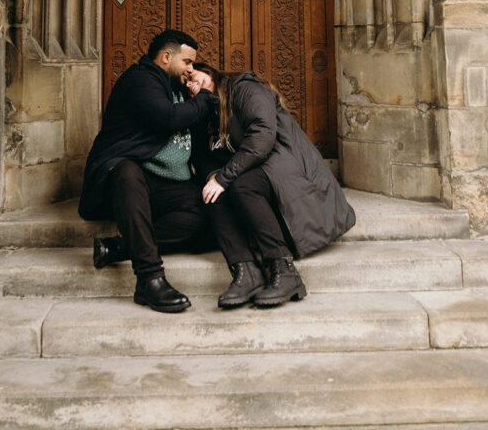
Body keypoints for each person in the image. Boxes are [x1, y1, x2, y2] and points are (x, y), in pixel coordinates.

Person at [187, 63, 356, 309]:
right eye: (184, 85)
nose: (189, 84)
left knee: (240, 186)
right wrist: (216, 178)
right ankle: (246, 272)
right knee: (212, 194)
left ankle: (285, 271)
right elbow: (203, 157)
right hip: (260, 172)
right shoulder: (207, 112)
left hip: (289, 169)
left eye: (191, 76)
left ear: (209, 72)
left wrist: (224, 177)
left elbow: (262, 137)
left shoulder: (244, 89)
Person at [78, 29, 215, 313]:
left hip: (157, 184)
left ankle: (118, 248)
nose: (191, 70)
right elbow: (169, 118)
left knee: (205, 211)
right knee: (126, 170)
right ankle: (149, 278)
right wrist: (203, 98)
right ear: (166, 57)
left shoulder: (177, 88)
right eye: (187, 63)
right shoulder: (139, 80)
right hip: (117, 185)